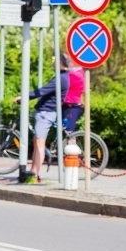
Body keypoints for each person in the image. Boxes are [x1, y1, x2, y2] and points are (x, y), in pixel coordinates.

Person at [14, 52, 70, 183]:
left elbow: (42, 91)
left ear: (61, 63)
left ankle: (35, 175)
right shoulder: (62, 77)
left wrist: (24, 97)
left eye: (55, 61)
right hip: (45, 112)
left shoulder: (61, 78)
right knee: (37, 142)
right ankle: (33, 172)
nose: (53, 63)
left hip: (46, 113)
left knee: (39, 143)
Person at [63, 63, 85, 132]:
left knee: (70, 131)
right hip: (71, 104)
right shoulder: (79, 72)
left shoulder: (75, 74)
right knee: (67, 129)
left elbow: (63, 85)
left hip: (71, 104)